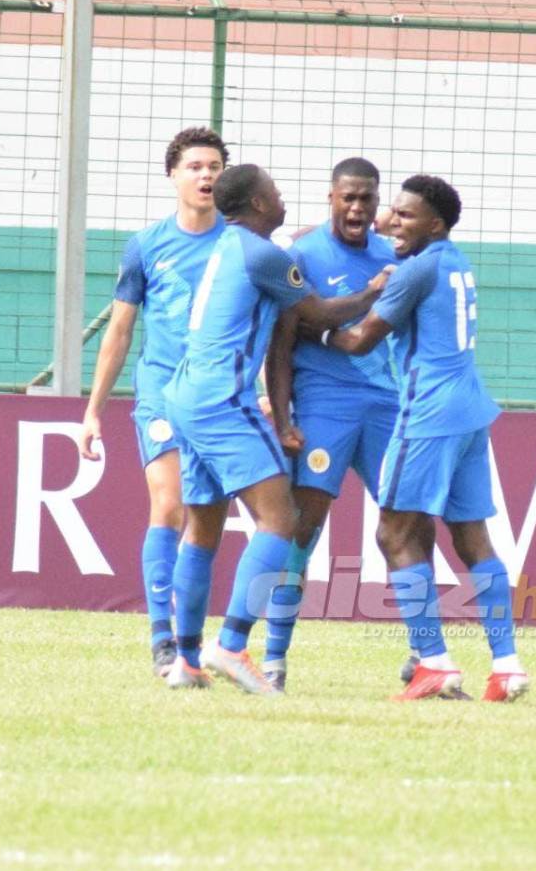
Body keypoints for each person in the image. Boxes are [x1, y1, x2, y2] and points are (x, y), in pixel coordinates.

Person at [162, 164, 392, 694]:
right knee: (281, 519)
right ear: (259, 204)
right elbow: (318, 310)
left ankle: (187, 660)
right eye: (275, 189)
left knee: (202, 527)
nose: (282, 195)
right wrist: (374, 290)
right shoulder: (264, 253)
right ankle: (234, 644)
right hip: (222, 400)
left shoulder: (226, 246)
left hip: (187, 395)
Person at [324, 174, 529, 702]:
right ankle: (507, 666)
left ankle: (433, 662)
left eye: (406, 215)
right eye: (393, 211)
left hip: (430, 414)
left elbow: (360, 341)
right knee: (472, 539)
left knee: (392, 534)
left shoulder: (416, 269)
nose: (391, 221)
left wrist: (308, 324)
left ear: (435, 223)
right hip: (470, 410)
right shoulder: (454, 260)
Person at [78, 126, 228, 678]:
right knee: (168, 502)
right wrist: (93, 410)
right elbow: (119, 332)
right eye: (194, 166)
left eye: (214, 166)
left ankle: (191, 642)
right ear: (173, 175)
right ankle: (162, 639)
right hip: (162, 393)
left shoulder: (236, 244)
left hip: (217, 398)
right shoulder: (146, 245)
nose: (206, 175)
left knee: (204, 515)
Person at [263, 157, 401, 692]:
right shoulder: (303, 254)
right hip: (323, 402)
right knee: (305, 523)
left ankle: (423, 656)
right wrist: (282, 408)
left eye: (367, 198)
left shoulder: (392, 257)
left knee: (406, 519)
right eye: (348, 197)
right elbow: (286, 334)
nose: (357, 208)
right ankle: (274, 656)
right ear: (331, 197)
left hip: (385, 402)